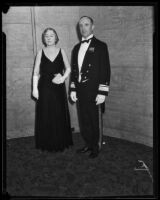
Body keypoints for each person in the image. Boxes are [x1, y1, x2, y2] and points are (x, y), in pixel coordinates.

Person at [70, 16, 111, 158]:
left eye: (86, 25)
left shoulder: (101, 46)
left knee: (94, 120)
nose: (83, 28)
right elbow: (74, 71)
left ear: (92, 27)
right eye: (81, 25)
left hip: (94, 91)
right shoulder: (76, 48)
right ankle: (88, 143)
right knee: (84, 120)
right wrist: (73, 89)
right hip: (81, 91)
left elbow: (105, 70)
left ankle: (96, 146)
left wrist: (102, 92)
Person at [32, 27, 73, 152]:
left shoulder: (62, 51)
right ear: (44, 39)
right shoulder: (40, 52)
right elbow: (35, 72)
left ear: (56, 38)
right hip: (44, 86)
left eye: (51, 35)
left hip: (58, 86)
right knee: (45, 113)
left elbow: (69, 68)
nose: (49, 38)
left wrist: (63, 78)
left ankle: (60, 142)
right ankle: (46, 143)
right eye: (46, 36)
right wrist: (34, 89)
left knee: (58, 112)